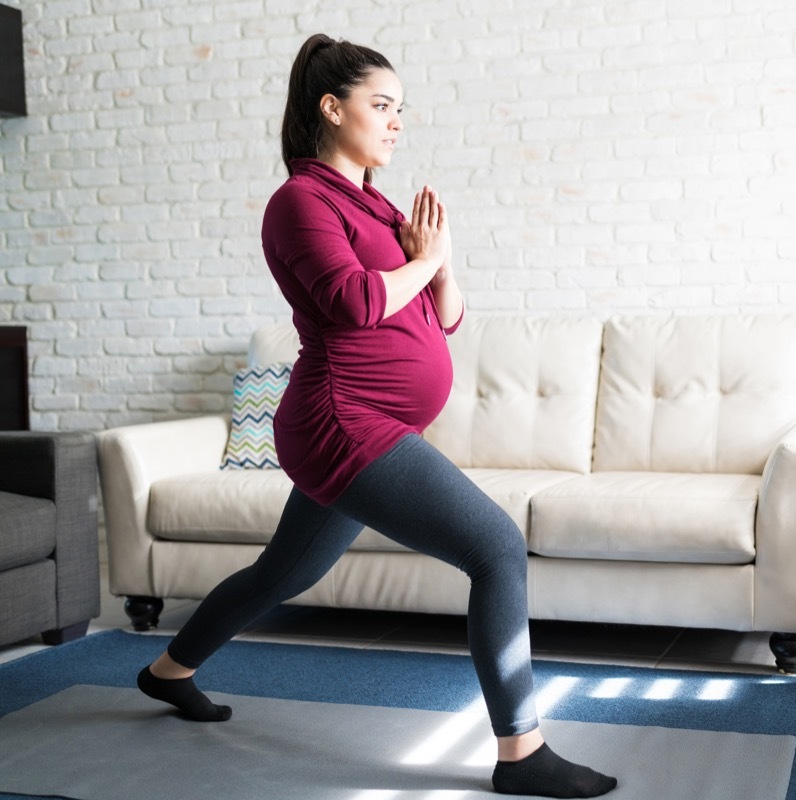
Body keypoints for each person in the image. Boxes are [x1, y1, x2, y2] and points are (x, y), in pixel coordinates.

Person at [135, 33, 617, 799]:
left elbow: (444, 317)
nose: (397, 122)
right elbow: (354, 302)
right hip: (343, 420)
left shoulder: (379, 205)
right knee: (497, 549)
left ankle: (169, 670)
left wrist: (443, 262)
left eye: (401, 109)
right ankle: (521, 752)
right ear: (332, 109)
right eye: (382, 105)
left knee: (283, 572)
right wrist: (422, 261)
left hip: (375, 421)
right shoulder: (301, 202)